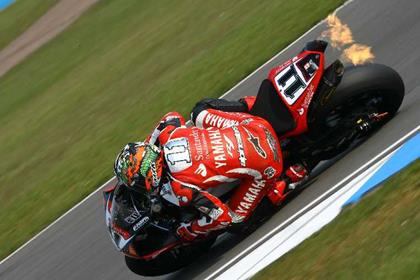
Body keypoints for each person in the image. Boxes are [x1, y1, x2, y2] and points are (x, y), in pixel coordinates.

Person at [113, 98, 307, 241]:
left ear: (148, 179)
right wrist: (150, 144)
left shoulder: (181, 189)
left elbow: (221, 217)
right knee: (199, 111)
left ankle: (288, 180)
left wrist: (189, 229)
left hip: (268, 164)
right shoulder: (168, 135)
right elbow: (171, 117)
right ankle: (252, 105)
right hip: (255, 125)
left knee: (236, 222)